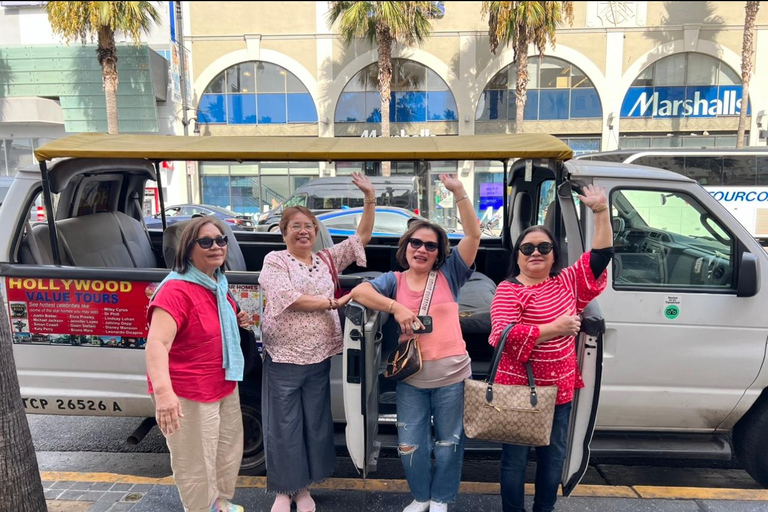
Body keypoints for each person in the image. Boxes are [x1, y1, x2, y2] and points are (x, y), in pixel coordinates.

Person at [349, 174, 482, 512]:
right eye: (416, 243)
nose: (422, 249)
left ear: (439, 253)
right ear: (406, 246)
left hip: (452, 375)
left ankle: (441, 499)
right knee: (410, 443)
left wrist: (459, 192)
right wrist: (395, 306)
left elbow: (473, 234)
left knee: (449, 442)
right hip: (411, 376)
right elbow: (359, 291)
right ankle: (421, 496)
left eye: (430, 245)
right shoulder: (392, 281)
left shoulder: (451, 274)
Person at [488, 185, 613, 512]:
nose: (535, 253)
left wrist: (600, 212)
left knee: (552, 458)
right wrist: (553, 329)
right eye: (527, 247)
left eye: (544, 247)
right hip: (518, 392)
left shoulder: (567, 282)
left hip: (559, 391)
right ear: (517, 255)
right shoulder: (508, 290)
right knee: (514, 462)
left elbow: (600, 257)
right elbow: (503, 335)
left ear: (555, 254)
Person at [258, 172, 375, 512]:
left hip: (319, 356)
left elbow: (361, 237)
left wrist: (368, 197)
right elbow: (287, 297)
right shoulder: (275, 260)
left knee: (314, 423)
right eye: (295, 225)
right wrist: (332, 304)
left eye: (309, 225)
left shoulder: (326, 259)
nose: (304, 231)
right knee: (283, 426)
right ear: (284, 233)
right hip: (284, 357)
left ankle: (304, 488)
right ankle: (284, 489)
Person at [145, 216, 251, 512]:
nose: (216, 246)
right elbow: (157, 344)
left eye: (221, 240)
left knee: (224, 453)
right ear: (188, 249)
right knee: (195, 462)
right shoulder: (175, 290)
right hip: (188, 391)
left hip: (222, 383)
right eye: (206, 241)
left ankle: (218, 505)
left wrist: (233, 319)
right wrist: (164, 395)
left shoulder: (216, 281)